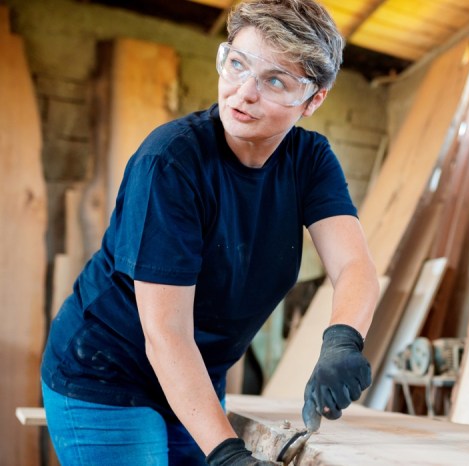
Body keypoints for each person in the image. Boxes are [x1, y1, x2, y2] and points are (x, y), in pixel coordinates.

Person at [40, 0, 379, 464]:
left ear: (313, 99)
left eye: (274, 80)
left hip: (195, 376)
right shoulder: (171, 162)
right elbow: (166, 333)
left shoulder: (310, 161)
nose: (243, 93)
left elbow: (354, 264)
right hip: (107, 372)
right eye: (236, 65)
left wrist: (343, 339)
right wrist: (226, 454)